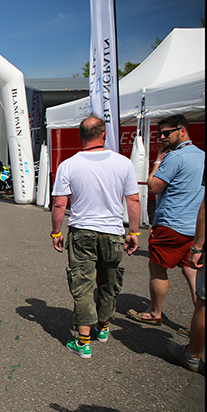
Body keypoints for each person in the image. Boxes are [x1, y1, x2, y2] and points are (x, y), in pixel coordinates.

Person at [51, 114, 141, 359]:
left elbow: (60, 204)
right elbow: (133, 200)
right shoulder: (124, 163)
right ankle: (102, 327)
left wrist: (56, 232)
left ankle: (83, 342)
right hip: (113, 232)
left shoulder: (69, 164)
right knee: (108, 281)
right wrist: (133, 232)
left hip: (82, 232)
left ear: (80, 136)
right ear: (104, 134)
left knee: (82, 284)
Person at [127, 115, 205, 326]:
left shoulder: (174, 158)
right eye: (160, 133)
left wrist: (158, 161)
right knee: (193, 273)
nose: (162, 137)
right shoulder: (202, 155)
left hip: (172, 224)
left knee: (158, 268)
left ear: (182, 131)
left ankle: (154, 312)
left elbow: (153, 186)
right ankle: (201, 321)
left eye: (167, 132)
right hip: (195, 228)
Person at [166, 183, 205, 373]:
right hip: (188, 225)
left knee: (204, 304)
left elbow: (155, 186)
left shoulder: (176, 157)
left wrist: (197, 247)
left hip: (176, 224)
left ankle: (193, 354)